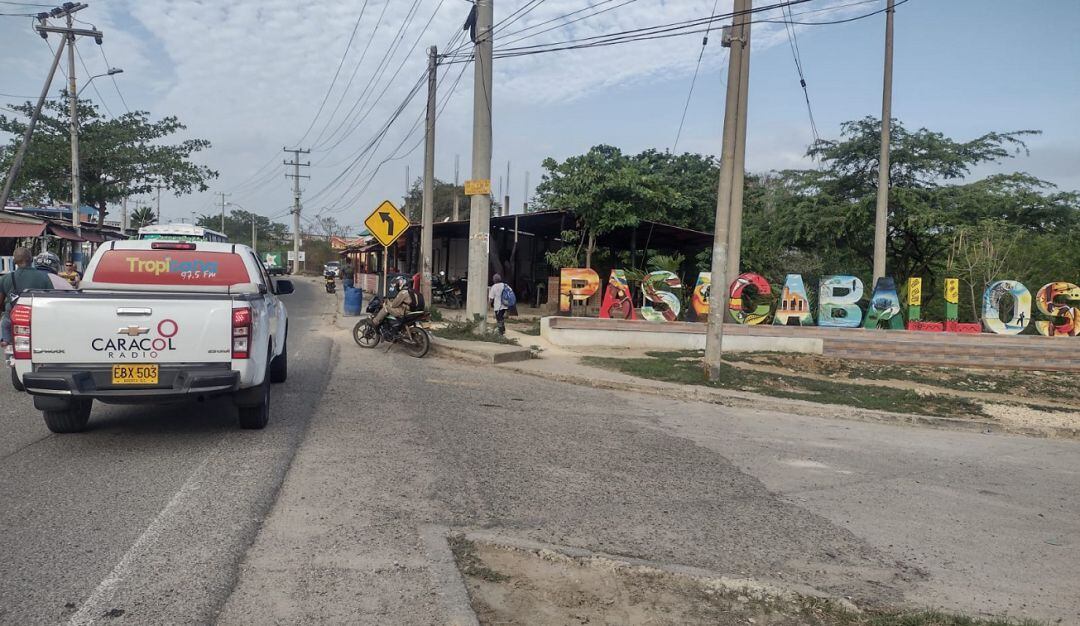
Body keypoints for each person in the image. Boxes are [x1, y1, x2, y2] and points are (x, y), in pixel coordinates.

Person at [1, 247, 52, 350]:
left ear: (15, 261)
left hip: (12, 319)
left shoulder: (5, 279)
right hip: (36, 319)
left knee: (5, 324)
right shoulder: (44, 277)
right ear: (31, 260)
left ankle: (7, 345)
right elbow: (51, 300)